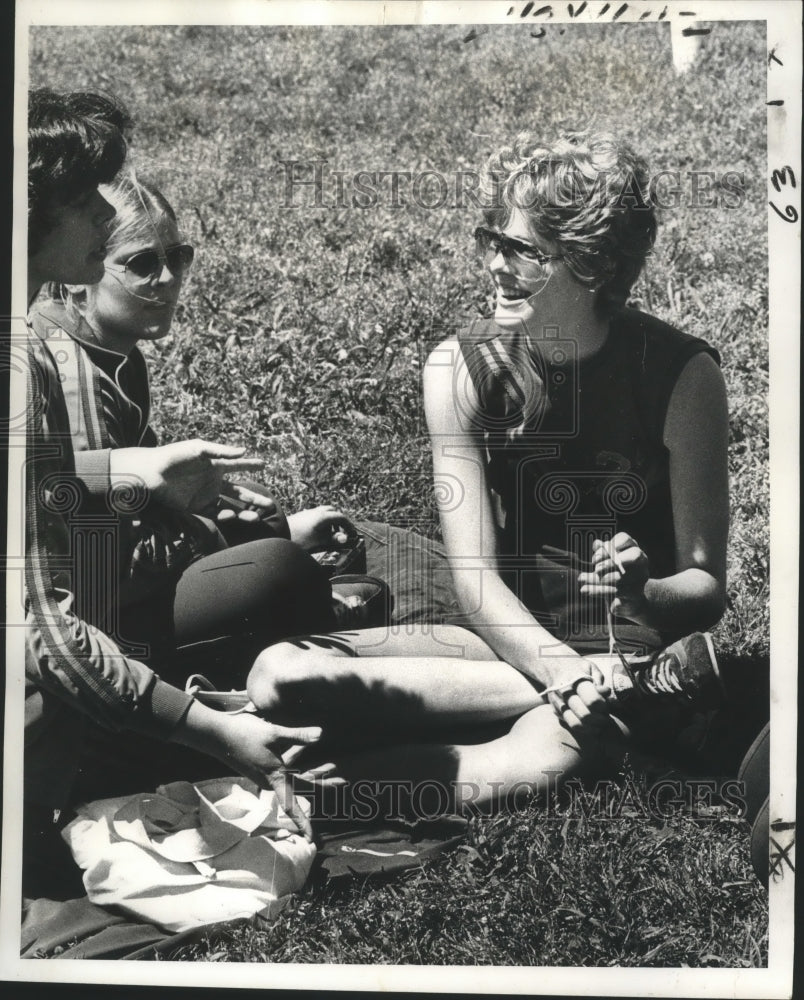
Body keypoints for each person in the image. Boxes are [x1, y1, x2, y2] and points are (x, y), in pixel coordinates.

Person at [245, 125, 729, 814]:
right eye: (493, 240)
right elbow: (474, 583)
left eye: (524, 251)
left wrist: (647, 589)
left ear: (591, 264)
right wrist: (563, 670)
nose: (496, 265)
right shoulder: (461, 369)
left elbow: (707, 590)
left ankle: (305, 793)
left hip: (620, 631)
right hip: (502, 634)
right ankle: (637, 689)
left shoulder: (683, 377)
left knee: (540, 759)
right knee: (278, 676)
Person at [22, 88, 330, 899]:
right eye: (85, 199)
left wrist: (144, 480)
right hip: (78, 659)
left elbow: (49, 495)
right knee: (283, 574)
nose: (165, 279)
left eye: (177, 258)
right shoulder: (42, 364)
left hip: (82, 638)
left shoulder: (86, 355)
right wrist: (212, 734)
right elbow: (65, 605)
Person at [29, 169, 388, 692]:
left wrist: (211, 506)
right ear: (84, 269)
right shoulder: (76, 376)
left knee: (251, 502)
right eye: (143, 264)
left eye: (178, 256)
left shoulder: (112, 350)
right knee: (274, 567)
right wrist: (242, 533)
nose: (169, 278)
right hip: (92, 626)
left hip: (107, 579)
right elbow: (100, 572)